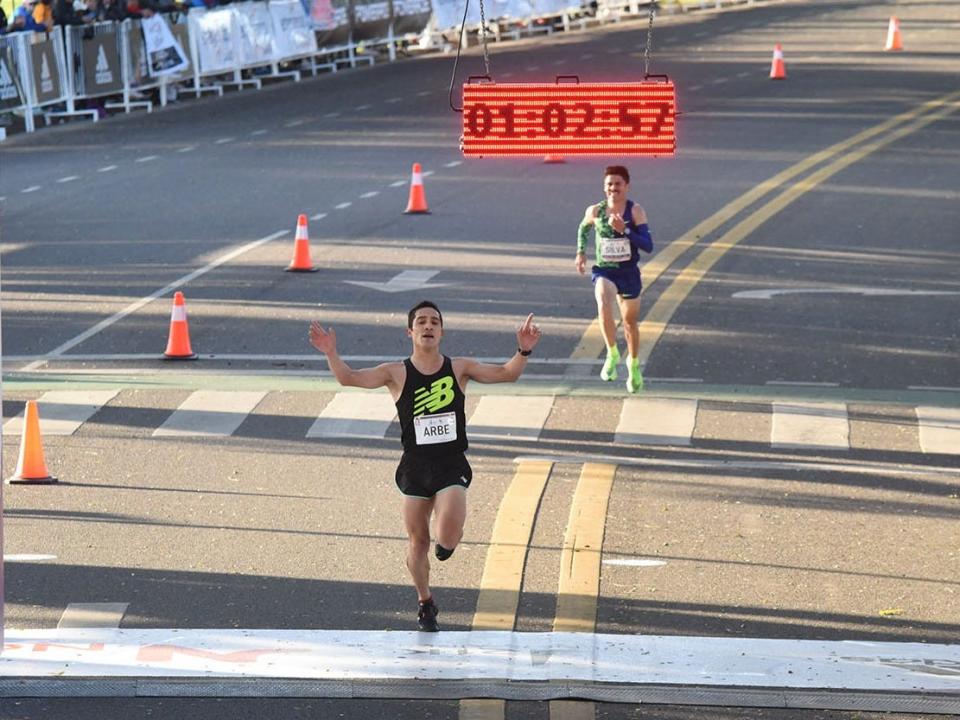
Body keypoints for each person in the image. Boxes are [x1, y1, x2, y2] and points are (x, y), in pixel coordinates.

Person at [309, 301, 542, 632]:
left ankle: (447, 544)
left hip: (450, 464)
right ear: (411, 331)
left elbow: (507, 373)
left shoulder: (459, 368)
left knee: (446, 534)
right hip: (415, 466)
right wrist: (331, 352)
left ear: (442, 331)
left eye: (434, 322)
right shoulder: (396, 372)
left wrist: (523, 349)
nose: (428, 326)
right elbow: (349, 378)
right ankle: (425, 602)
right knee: (417, 542)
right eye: (421, 321)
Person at [575, 165, 653, 393]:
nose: (613, 188)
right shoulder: (596, 211)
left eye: (618, 184)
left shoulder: (635, 211)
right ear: (604, 187)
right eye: (609, 184)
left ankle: (634, 364)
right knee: (603, 302)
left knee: (629, 324)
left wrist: (625, 230)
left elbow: (648, 246)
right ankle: (611, 352)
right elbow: (583, 228)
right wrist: (581, 252)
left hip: (628, 273)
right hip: (605, 271)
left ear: (627, 186)